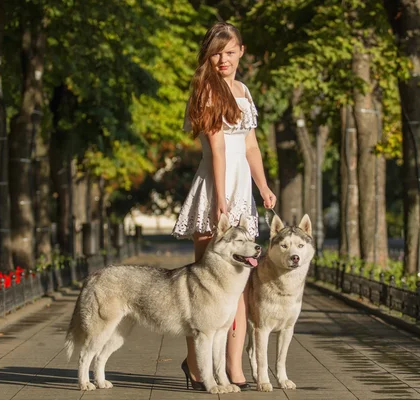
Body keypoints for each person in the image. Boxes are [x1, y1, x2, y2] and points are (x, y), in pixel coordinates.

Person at [171, 21, 276, 391]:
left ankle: (234, 367)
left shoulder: (243, 91)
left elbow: (250, 147)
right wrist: (220, 200)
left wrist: (263, 187)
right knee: (202, 286)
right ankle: (198, 368)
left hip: (242, 190)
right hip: (214, 188)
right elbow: (217, 148)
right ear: (208, 54)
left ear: (241, 52)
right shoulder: (206, 90)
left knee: (239, 285)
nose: (223, 59)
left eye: (230, 52)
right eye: (216, 52)